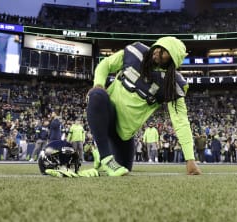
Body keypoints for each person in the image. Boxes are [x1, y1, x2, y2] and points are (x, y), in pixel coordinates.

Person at [86, 36, 201, 176]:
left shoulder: (172, 85)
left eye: (165, 52)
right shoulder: (135, 52)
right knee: (97, 94)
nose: (158, 51)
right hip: (107, 113)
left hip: (123, 133)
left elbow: (180, 121)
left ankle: (100, 152)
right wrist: (99, 83)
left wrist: (190, 159)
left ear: (173, 60)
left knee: (125, 169)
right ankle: (106, 158)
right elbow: (106, 64)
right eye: (159, 46)